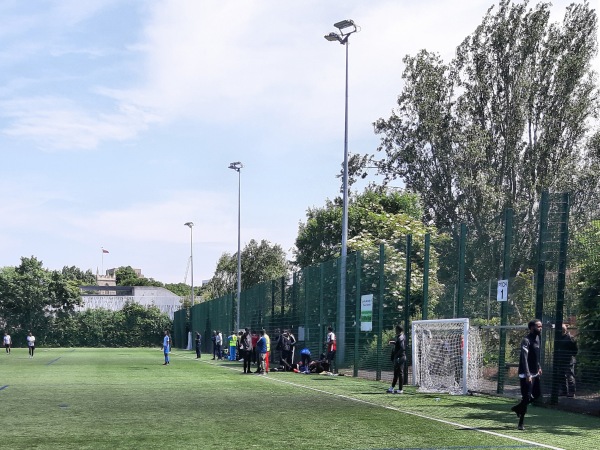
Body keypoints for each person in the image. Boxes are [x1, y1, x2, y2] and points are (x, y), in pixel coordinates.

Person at [511, 319, 543, 430]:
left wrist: (539, 367)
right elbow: (524, 359)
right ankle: (521, 423)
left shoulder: (538, 339)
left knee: (537, 394)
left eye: (541, 326)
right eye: (538, 326)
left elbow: (536, 356)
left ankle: (517, 408)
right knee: (527, 397)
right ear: (531, 328)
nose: (540, 328)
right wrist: (528, 374)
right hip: (526, 374)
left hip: (535, 372)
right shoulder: (526, 340)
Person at [555, 324, 578, 398]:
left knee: (569, 375)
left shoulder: (570, 338)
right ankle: (564, 391)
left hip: (568, 360)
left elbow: (575, 350)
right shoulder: (559, 337)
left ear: (565, 329)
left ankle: (572, 392)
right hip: (560, 359)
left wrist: (570, 356)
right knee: (561, 376)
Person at [387, 325, 406, 394]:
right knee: (396, 373)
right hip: (399, 357)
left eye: (396, 329)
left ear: (398, 330)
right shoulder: (400, 337)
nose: (395, 331)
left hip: (400, 358)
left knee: (400, 373)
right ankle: (392, 388)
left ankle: (400, 389)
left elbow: (402, 348)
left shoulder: (401, 337)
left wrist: (397, 356)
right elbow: (398, 345)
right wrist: (393, 342)